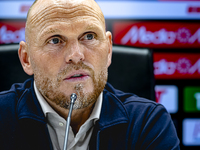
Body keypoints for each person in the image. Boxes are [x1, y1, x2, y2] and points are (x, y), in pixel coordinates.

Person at [0, 0, 180, 149]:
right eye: (55, 40)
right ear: (26, 58)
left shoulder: (148, 122)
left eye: (89, 36)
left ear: (109, 50)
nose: (76, 55)